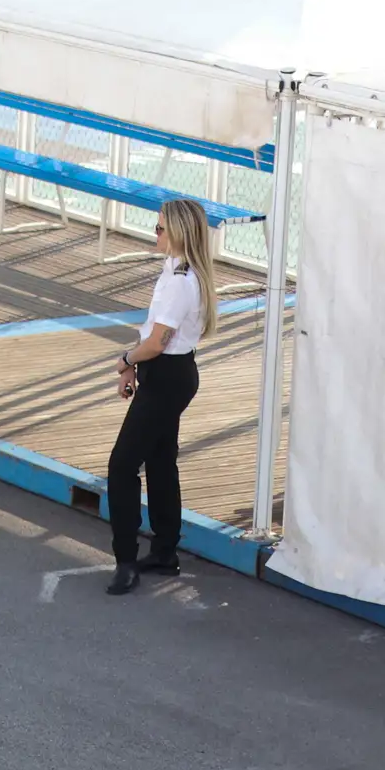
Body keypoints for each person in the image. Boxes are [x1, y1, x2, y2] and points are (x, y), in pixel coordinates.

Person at [106, 199, 217, 596]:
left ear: (179, 233)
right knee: (159, 460)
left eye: (160, 228)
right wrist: (135, 367)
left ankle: (125, 560)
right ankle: (165, 551)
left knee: (121, 466)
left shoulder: (181, 282)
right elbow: (151, 332)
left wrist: (124, 362)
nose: (155, 233)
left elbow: (157, 342)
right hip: (165, 372)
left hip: (169, 376)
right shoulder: (173, 269)